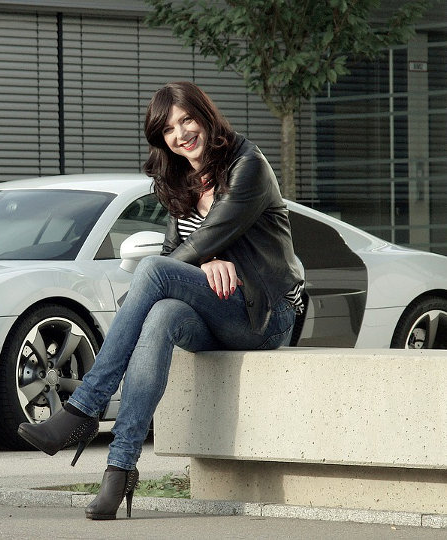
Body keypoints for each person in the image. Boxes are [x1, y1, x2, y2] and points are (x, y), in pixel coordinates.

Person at [17, 81, 304, 520]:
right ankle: (121, 467)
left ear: (206, 117)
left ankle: (83, 408)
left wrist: (203, 256)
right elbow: (183, 252)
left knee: (152, 273)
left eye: (187, 120)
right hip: (217, 312)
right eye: (168, 129)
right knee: (163, 313)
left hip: (264, 314)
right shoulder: (182, 179)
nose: (181, 134)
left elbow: (205, 239)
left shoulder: (249, 165)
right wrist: (204, 263)